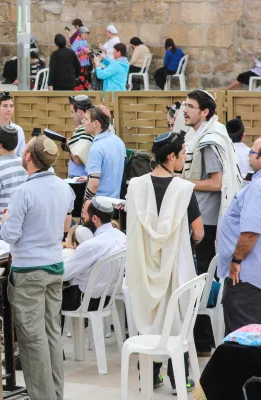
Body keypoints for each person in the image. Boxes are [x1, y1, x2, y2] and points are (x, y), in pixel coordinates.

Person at [126, 132, 203, 394]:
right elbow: (199, 231)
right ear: (171, 156)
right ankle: (178, 377)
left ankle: (149, 375)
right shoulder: (184, 190)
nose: (184, 158)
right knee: (175, 319)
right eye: (183, 153)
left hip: (143, 265)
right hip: (175, 267)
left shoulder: (135, 186)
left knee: (148, 314)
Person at [1, 134, 74, 400]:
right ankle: (55, 394)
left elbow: (10, 235)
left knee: (33, 340)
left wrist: (6, 219)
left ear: (29, 157)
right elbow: (66, 225)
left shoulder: (24, 191)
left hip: (29, 271)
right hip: (54, 266)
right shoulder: (63, 187)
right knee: (52, 334)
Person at [181, 90, 244, 356]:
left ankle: (203, 341)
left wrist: (181, 183)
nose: (185, 110)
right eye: (184, 104)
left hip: (205, 221)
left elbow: (217, 183)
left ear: (204, 112)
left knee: (199, 281)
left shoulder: (208, 141)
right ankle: (203, 340)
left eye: (190, 106)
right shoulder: (210, 133)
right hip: (205, 220)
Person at [218, 137, 261, 334]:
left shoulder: (257, 188)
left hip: (246, 278)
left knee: (243, 337)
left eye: (252, 152)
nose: (248, 155)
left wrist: (236, 259)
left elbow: (251, 232)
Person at [62, 198, 126, 316]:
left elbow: (63, 273)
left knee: (49, 297)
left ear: (95, 218)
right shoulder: (123, 237)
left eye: (85, 215)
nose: (83, 219)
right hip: (108, 298)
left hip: (84, 300)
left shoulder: (92, 245)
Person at [80, 105, 126, 201]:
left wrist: (85, 206)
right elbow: (111, 172)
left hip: (99, 205)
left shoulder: (97, 147)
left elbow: (94, 185)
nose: (82, 122)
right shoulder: (118, 141)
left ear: (96, 123)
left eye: (86, 119)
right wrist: (90, 177)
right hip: (115, 202)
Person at [67, 95, 95, 178]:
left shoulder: (86, 130)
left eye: (72, 112)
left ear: (79, 112)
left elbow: (78, 159)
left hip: (81, 179)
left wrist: (68, 146)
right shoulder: (92, 127)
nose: (71, 115)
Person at [71, 26, 92, 91]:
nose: (86, 36)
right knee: (79, 83)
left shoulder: (84, 41)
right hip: (79, 66)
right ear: (80, 33)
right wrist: (83, 52)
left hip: (85, 65)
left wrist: (89, 51)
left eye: (87, 34)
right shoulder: (76, 42)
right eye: (85, 34)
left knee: (85, 82)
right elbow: (73, 54)